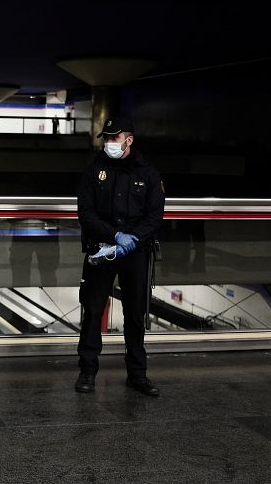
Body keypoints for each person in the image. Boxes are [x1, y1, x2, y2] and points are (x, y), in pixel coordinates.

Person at [75, 117, 165, 397]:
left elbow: (154, 215)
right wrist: (115, 236)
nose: (109, 143)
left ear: (129, 140)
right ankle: (88, 371)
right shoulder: (94, 169)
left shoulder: (148, 173)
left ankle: (137, 374)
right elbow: (85, 213)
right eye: (107, 138)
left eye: (115, 138)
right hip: (101, 250)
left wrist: (132, 239)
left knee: (135, 314)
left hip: (135, 252)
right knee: (92, 311)